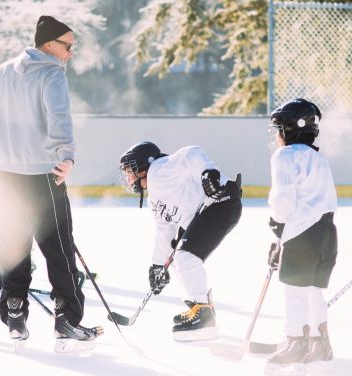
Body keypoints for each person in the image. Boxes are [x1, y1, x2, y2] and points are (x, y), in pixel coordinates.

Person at [0, 15, 101, 352]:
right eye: (68, 46)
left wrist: (7, 145)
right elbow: (59, 117)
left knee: (15, 245)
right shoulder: (51, 73)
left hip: (5, 176)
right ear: (48, 44)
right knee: (59, 249)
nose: (71, 53)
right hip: (44, 174)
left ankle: (15, 314)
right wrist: (66, 155)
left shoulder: (3, 71)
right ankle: (67, 321)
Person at [117, 141, 242, 342]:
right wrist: (158, 265)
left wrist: (208, 172)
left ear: (144, 165)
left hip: (220, 202)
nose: (129, 177)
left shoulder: (159, 170)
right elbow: (164, 231)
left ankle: (203, 314)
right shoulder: (153, 198)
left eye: (130, 170)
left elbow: (191, 153)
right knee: (175, 257)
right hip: (208, 211)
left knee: (186, 256)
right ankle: (198, 307)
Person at [261, 99, 338, 375]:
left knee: (294, 291)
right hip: (327, 233)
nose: (277, 135)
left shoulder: (285, 156)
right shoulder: (319, 159)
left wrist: (278, 225)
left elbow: (283, 198)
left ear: (292, 129)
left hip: (302, 233)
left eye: (280, 128)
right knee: (314, 290)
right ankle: (319, 344)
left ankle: (296, 342)